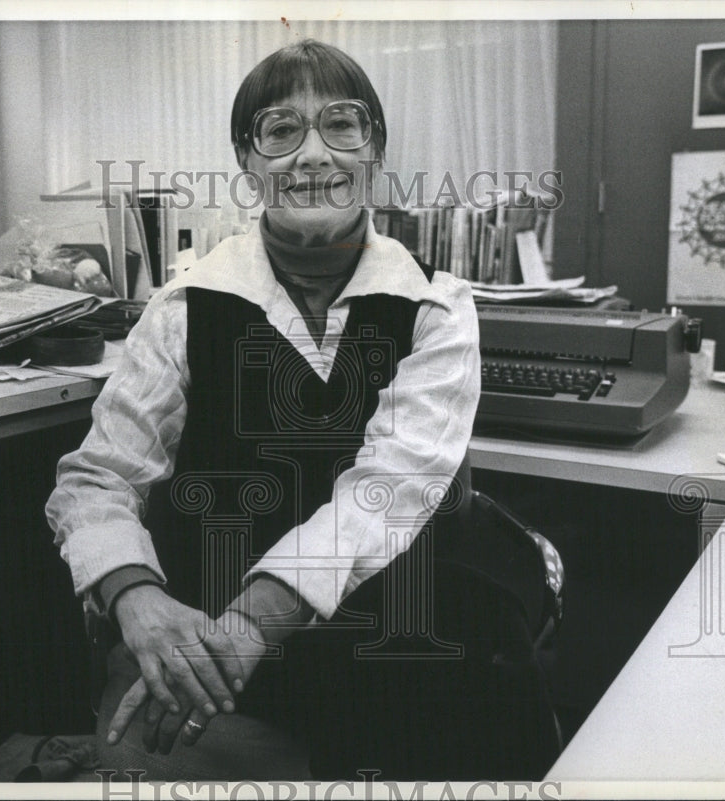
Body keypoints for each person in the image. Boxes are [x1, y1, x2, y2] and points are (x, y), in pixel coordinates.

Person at [47, 39, 557, 780]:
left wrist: (252, 624)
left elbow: (382, 493)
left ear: (374, 150)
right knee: (139, 749)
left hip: (389, 631)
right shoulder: (183, 307)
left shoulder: (436, 308)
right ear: (248, 162)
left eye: (341, 125)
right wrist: (138, 600)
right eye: (281, 130)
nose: (313, 154)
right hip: (212, 624)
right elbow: (98, 478)